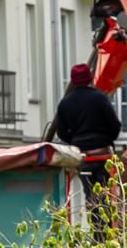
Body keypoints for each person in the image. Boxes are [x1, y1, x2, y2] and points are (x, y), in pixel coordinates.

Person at [51, 63, 122, 234]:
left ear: (73, 81)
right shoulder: (100, 98)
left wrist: (76, 142)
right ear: (90, 79)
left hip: (83, 157)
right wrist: (106, 139)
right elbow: (115, 126)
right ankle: (106, 237)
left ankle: (96, 235)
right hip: (103, 156)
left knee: (90, 195)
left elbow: (61, 132)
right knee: (106, 196)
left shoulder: (65, 104)